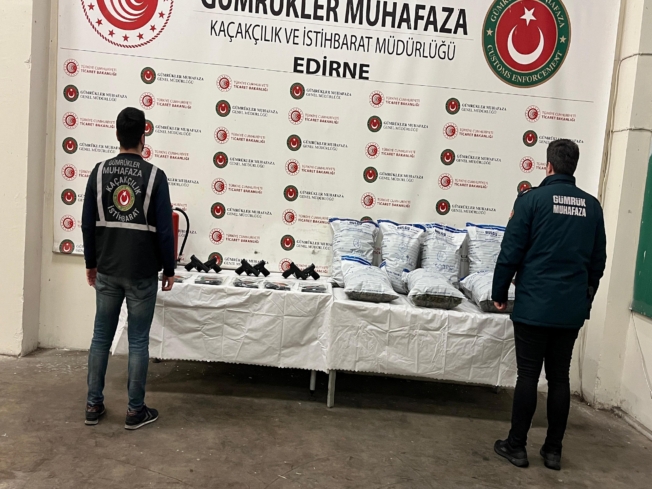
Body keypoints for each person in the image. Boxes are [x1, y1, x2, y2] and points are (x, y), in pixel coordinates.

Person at [491, 139, 607, 470]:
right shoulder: (592, 207)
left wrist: (499, 292)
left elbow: (510, 252)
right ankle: (553, 451)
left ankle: (516, 447)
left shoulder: (531, 200)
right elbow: (597, 261)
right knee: (559, 378)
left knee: (528, 375)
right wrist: (585, 297)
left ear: (548, 166)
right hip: (570, 310)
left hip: (534, 305)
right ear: (573, 166)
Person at [81, 107, 176, 430]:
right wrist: (169, 269)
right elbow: (165, 232)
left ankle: (93, 405)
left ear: (117, 134)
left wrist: (91, 264)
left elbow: (87, 224)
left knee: (100, 338)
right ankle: (135, 411)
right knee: (137, 341)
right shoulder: (155, 176)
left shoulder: (98, 172)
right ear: (143, 136)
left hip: (107, 269)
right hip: (142, 273)